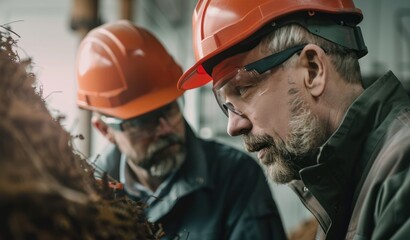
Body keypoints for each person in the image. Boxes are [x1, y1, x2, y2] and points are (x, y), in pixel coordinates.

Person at [177, 0, 410, 239]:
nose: (233, 126)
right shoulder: (343, 186)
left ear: (313, 70)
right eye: (227, 105)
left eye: (243, 89)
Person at [74, 20, 287, 240]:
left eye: (170, 109)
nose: (165, 128)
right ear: (104, 130)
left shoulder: (235, 177)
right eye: (144, 121)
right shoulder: (86, 194)